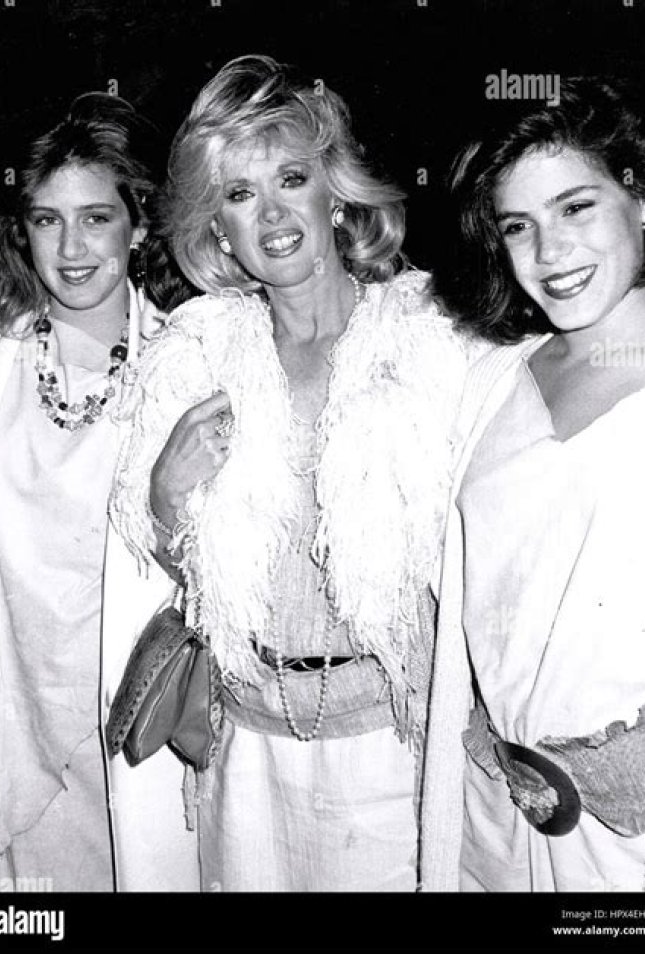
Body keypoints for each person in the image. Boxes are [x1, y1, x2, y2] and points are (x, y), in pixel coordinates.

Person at [108, 54, 472, 892]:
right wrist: (165, 493)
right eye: (240, 194)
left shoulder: (429, 335)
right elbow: (177, 564)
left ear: (334, 194)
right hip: (246, 748)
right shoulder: (198, 350)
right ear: (217, 228)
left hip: (391, 746)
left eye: (292, 179)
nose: (271, 214)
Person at [420, 77, 645, 891]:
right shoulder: (489, 380)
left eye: (576, 208)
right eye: (518, 226)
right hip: (500, 822)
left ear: (643, 201)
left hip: (643, 842)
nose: (551, 251)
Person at [0, 92, 187, 891]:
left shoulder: (192, 362)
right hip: (14, 734)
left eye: (96, 217)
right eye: (46, 219)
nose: (71, 246)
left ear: (140, 224)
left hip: (138, 739)